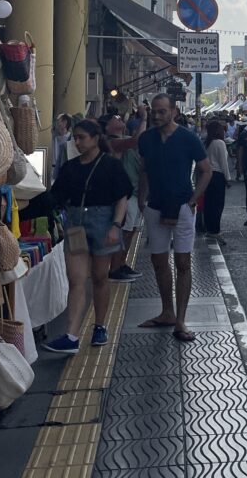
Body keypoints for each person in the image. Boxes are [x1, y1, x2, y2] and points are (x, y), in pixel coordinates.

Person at [43, 119, 132, 353]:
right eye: (76, 137)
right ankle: (71, 335)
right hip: (75, 224)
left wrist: (116, 225)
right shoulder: (70, 168)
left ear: (95, 138)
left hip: (102, 222)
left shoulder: (110, 165)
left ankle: (100, 325)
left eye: (82, 137)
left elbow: (122, 196)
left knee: (101, 277)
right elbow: (56, 196)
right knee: (76, 279)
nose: (78, 142)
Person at [137, 93, 212, 342]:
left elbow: (206, 171)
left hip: (181, 206)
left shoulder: (188, 138)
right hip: (155, 206)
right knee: (158, 261)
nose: (157, 116)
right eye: (154, 111)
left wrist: (193, 200)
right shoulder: (146, 139)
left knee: (182, 263)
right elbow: (145, 169)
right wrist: (141, 197)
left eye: (162, 111)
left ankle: (180, 319)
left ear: (174, 112)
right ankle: (167, 311)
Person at [104, 106, 148, 282]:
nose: (120, 117)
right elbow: (138, 140)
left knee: (130, 231)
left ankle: (121, 263)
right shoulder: (111, 142)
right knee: (124, 232)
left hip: (134, 192)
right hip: (124, 195)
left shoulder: (122, 140)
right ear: (107, 126)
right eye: (115, 117)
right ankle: (114, 268)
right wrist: (144, 118)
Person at [204, 119, 232, 244]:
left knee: (210, 203)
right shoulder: (220, 143)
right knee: (218, 204)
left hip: (207, 176)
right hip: (217, 175)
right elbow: (223, 163)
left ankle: (210, 229)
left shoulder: (207, 142)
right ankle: (215, 230)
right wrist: (228, 178)